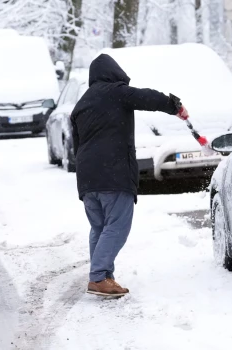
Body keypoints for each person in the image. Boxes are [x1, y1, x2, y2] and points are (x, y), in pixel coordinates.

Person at [71, 54, 190, 296]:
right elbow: (147, 97)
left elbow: (76, 145)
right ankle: (97, 277)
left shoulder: (81, 104)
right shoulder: (115, 91)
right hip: (112, 173)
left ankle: (104, 276)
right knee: (117, 226)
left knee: (100, 228)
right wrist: (174, 105)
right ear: (115, 73)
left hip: (87, 178)